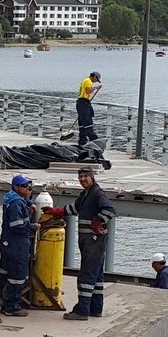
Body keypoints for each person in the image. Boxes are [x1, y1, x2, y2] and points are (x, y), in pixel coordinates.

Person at [64, 165, 116, 320]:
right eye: (80, 177)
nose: (82, 179)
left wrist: (98, 221)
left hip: (94, 243)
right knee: (97, 277)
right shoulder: (86, 195)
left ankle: (82, 310)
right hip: (90, 243)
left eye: (85, 176)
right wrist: (57, 212)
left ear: (92, 177)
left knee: (86, 276)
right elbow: (75, 208)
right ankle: (95, 308)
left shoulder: (97, 194)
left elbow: (110, 210)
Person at [0, 175, 37, 317]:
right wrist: (33, 226)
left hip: (7, 242)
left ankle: (3, 299)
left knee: (5, 272)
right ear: (16, 187)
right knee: (17, 276)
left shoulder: (11, 197)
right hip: (16, 244)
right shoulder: (16, 204)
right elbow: (17, 226)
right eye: (26, 187)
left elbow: (20, 201)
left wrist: (28, 203)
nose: (29, 189)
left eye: (30, 187)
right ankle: (12, 307)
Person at [76, 71, 102, 147]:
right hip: (83, 103)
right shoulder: (87, 81)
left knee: (82, 124)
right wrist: (96, 87)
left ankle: (82, 141)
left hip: (82, 102)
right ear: (94, 76)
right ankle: (94, 141)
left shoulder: (86, 80)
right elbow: (88, 91)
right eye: (96, 80)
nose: (96, 81)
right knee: (87, 123)